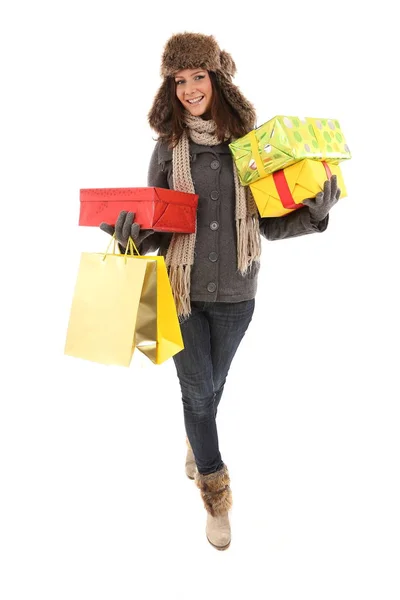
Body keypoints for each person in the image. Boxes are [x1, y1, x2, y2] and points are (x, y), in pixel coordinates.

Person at [100, 32, 340, 551]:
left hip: (236, 294)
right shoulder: (167, 149)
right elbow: (157, 225)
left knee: (209, 388)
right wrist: (129, 233)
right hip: (180, 290)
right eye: (179, 80)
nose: (188, 89)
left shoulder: (253, 147)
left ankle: (194, 432)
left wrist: (317, 209)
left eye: (197, 76)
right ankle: (215, 493)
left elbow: (272, 227)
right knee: (200, 391)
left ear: (218, 78)